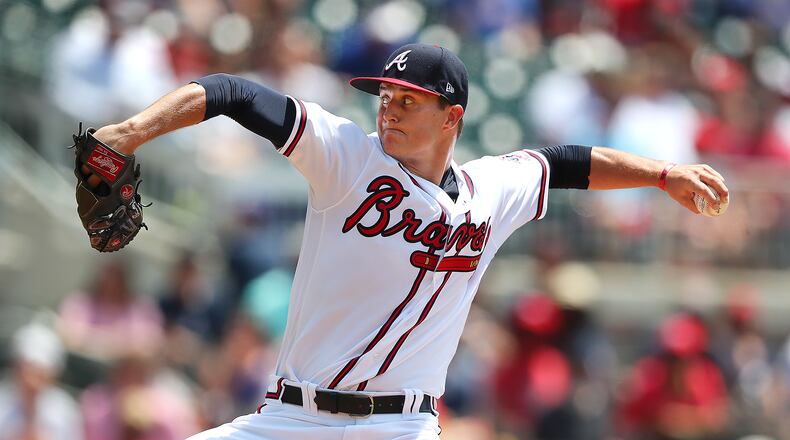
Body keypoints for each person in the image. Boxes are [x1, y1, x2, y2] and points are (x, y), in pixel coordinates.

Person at [81, 43, 728, 439]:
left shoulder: (490, 189)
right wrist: (132, 131)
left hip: (401, 426)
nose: (387, 109)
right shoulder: (346, 158)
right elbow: (234, 94)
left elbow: (566, 163)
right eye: (385, 96)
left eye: (408, 101)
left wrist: (663, 174)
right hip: (289, 420)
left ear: (452, 117)